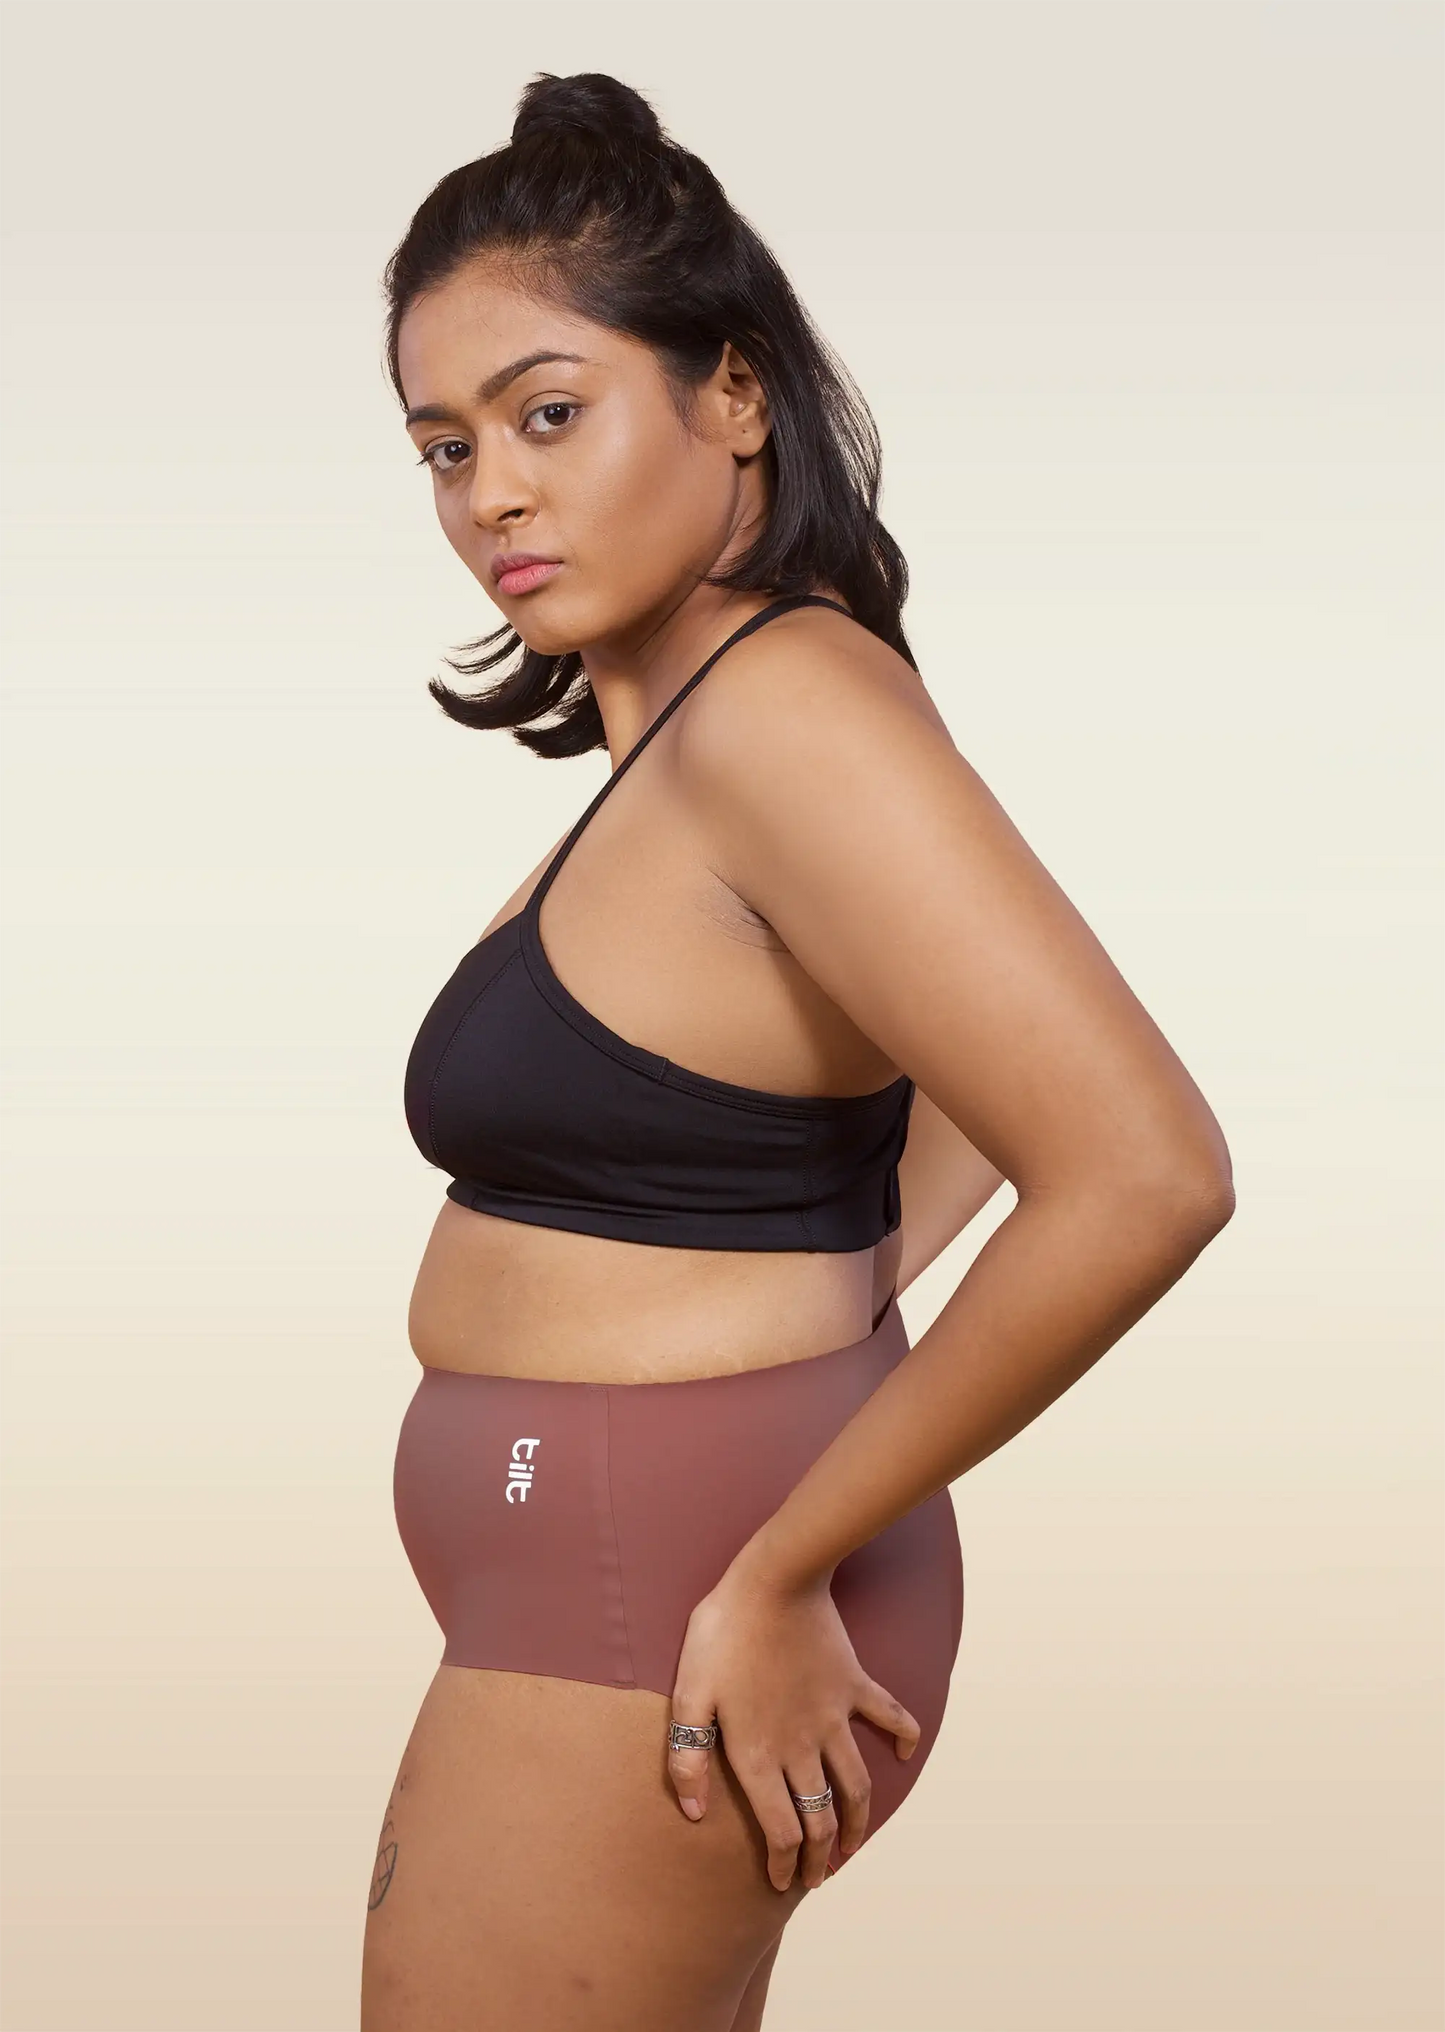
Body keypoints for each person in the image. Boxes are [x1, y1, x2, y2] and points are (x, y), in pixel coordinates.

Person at [359, 71, 1235, 2032]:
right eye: (437, 444)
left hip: (675, 1594)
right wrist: (815, 1300)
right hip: (622, 1565)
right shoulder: (705, 733)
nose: (485, 490)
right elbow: (929, 1092)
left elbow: (1139, 1162)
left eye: (547, 411)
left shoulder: (786, 712)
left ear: (731, 393)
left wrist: (771, 1556)